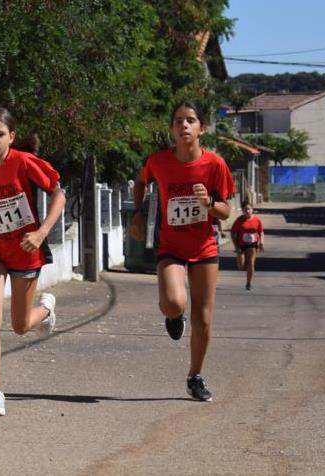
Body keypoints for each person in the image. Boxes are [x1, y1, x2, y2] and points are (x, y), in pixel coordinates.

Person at [0, 108, 66, 416]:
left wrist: (42, 232)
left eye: (0, 135)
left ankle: (44, 310)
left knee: (19, 326)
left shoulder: (23, 162)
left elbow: (59, 195)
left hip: (26, 250)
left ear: (12, 137)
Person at [129, 101, 235, 402]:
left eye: (190, 120)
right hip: (171, 247)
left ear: (202, 128)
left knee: (204, 319)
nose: (184, 125)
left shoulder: (215, 165)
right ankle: (174, 316)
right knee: (174, 302)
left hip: (204, 248)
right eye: (178, 121)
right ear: (172, 129)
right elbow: (141, 182)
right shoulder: (159, 161)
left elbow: (226, 211)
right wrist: (138, 212)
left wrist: (209, 205)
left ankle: (195, 375)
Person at [230, 201, 264, 291]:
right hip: (241, 245)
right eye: (245, 210)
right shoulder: (239, 220)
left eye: (248, 209)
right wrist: (236, 246)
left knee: (251, 264)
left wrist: (261, 243)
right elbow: (232, 233)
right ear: (242, 211)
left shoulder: (257, 220)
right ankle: (245, 264)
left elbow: (261, 232)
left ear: (252, 210)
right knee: (241, 266)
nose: (247, 211)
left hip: (252, 245)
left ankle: (249, 283)